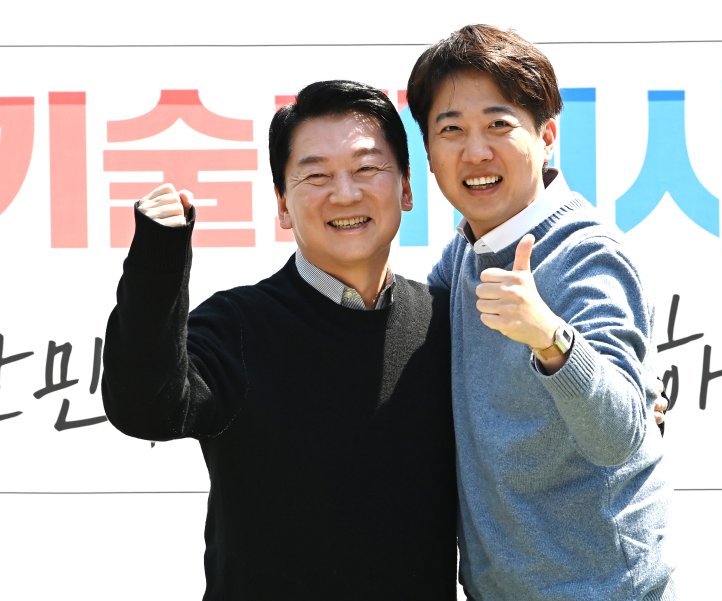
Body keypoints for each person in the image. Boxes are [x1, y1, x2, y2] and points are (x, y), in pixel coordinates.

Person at [101, 80, 457, 600]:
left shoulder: (445, 324)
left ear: (406, 188)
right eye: (316, 175)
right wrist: (158, 257)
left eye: (366, 169)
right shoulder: (237, 325)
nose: (345, 193)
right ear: (283, 204)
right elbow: (145, 407)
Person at [406, 24, 677, 600]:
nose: (476, 152)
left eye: (499, 125)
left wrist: (551, 338)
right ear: (428, 154)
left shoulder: (586, 253)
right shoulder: (464, 254)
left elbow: (620, 436)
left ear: (547, 135)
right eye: (451, 130)